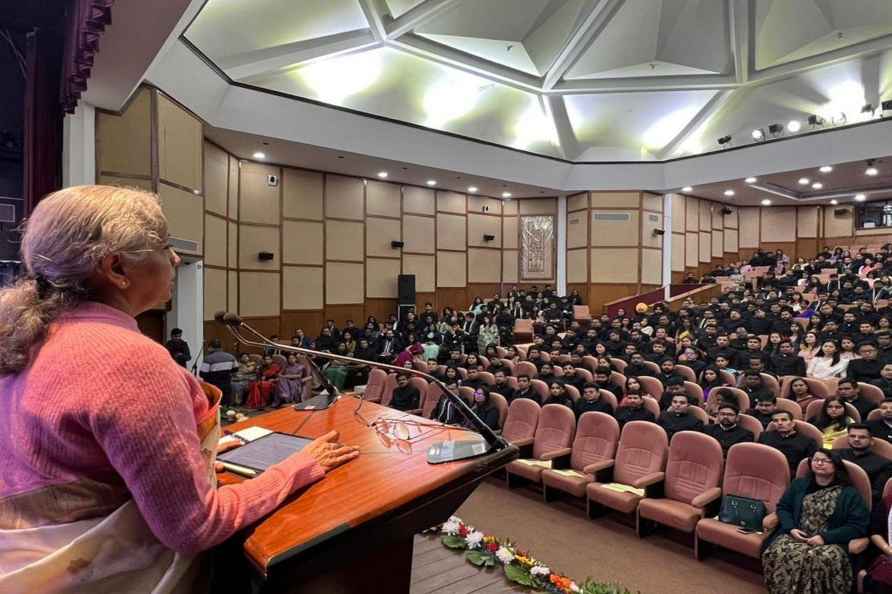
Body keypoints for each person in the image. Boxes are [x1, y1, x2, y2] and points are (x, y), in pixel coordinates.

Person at [0, 185, 359, 591]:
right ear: (117, 268)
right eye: (165, 245)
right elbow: (194, 528)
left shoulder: (26, 338)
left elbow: (76, 468)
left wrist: (184, 458)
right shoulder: (128, 359)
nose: (174, 258)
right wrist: (293, 469)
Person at [761, 449, 869, 594]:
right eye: (816, 460)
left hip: (832, 541)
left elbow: (857, 526)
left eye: (824, 460)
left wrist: (824, 538)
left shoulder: (849, 494)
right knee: (781, 551)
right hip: (796, 535)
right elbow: (783, 508)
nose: (819, 463)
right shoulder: (799, 484)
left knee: (816, 559)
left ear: (836, 465)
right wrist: (791, 528)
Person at [837, 424, 892, 501]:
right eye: (852, 436)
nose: (856, 439)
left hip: (859, 501)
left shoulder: (884, 464)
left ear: (871, 441)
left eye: (862, 437)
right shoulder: (835, 455)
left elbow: (877, 493)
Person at [198, 339, 238, 405]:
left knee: (216, 403)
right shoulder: (231, 357)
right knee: (226, 402)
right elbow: (235, 369)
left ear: (211, 347)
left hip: (213, 386)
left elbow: (202, 374)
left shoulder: (208, 358)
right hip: (227, 384)